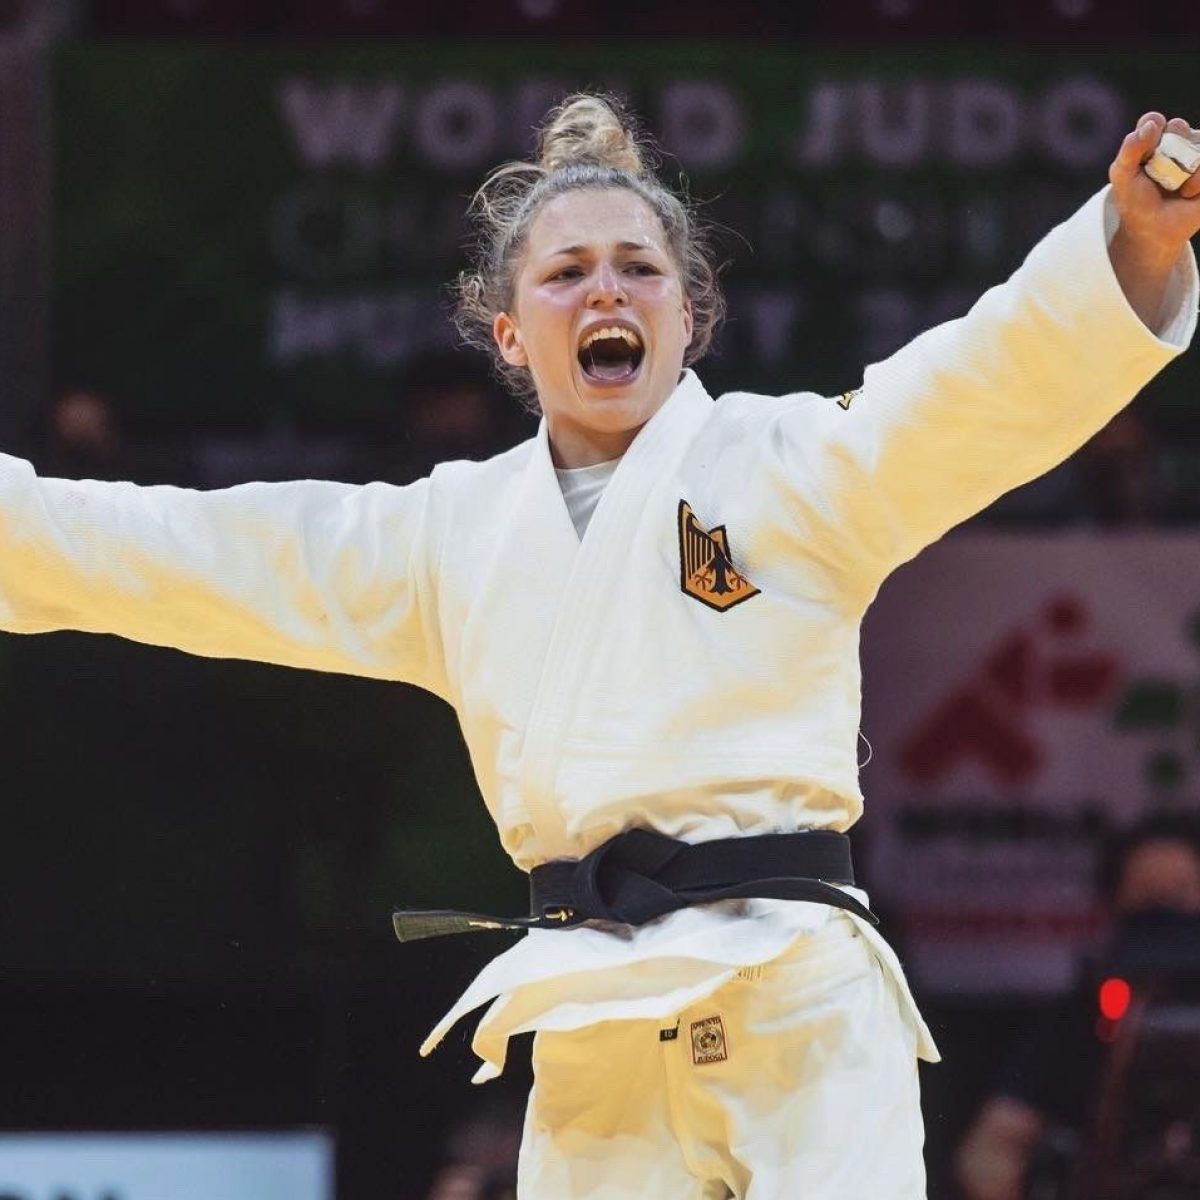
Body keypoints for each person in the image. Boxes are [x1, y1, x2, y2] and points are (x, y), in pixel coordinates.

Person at [1, 94, 1197, 1198]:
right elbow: (192, 548)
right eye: (566, 274)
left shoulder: (794, 469)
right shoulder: (448, 537)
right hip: (589, 1022)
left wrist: (1129, 249)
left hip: (793, 1003)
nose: (606, 292)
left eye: (639, 268)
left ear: (693, 313)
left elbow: (978, 383)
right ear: (511, 335)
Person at [955, 813, 1200, 1200]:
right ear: (1116, 900)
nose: (1163, 911)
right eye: (1147, 896)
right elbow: (987, 1151)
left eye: (1182, 892)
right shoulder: (1081, 1016)